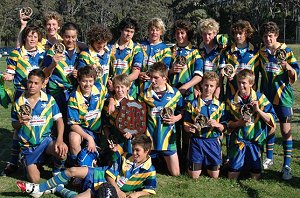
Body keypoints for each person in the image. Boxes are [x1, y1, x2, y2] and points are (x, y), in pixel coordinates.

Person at [17, 134, 156, 198]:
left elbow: (151, 189)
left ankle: (58, 189)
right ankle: (38, 189)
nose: (134, 153)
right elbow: (109, 175)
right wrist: (118, 191)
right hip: (100, 175)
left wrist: (137, 193)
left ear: (147, 151)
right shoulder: (125, 157)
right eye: (134, 149)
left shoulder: (150, 170)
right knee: (72, 170)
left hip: (105, 190)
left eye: (138, 150)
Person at [1, 25, 46, 176]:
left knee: (38, 125)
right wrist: (7, 76)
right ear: (25, 37)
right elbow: (11, 72)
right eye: (30, 36)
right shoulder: (16, 54)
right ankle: (13, 161)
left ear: (38, 38)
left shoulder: (43, 53)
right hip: (21, 94)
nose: (32, 39)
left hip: (39, 95)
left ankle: (37, 159)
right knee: (18, 127)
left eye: (35, 36)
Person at [259, 21, 299, 180]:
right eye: (265, 36)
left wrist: (288, 67)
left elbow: (296, 72)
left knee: (285, 130)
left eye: (270, 35)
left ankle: (287, 165)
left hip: (284, 96)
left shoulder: (286, 51)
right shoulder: (261, 52)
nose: (268, 39)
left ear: (276, 35)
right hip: (267, 97)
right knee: (269, 126)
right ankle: (269, 158)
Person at [12, 69, 68, 182]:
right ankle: (24, 161)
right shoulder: (19, 102)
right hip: (29, 146)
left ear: (43, 84)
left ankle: (57, 170)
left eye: (36, 83)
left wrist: (60, 139)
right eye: (30, 82)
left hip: (45, 141)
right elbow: (14, 124)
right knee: (35, 180)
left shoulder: (49, 100)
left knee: (62, 150)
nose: (32, 85)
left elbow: (59, 120)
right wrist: (20, 122)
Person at [226, 69, 276, 180]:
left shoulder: (260, 98)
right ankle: (234, 162)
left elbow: (272, 120)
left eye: (244, 83)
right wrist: (238, 123)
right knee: (232, 175)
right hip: (239, 141)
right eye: (239, 82)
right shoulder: (231, 100)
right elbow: (226, 124)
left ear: (251, 84)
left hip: (255, 141)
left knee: (255, 175)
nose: (241, 85)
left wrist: (258, 110)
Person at [168, 19, 203, 170]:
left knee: (187, 128)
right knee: (173, 127)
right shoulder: (170, 51)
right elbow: (162, 72)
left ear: (188, 34)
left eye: (182, 33)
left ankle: (188, 160)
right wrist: (170, 71)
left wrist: (185, 87)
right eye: (177, 33)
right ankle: (175, 160)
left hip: (187, 95)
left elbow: (199, 75)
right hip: (171, 95)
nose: (179, 36)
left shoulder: (195, 52)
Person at [139, 62, 183, 176]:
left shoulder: (175, 93)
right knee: (142, 172)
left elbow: (182, 110)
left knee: (176, 173)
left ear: (164, 78)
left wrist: (176, 118)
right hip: (150, 137)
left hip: (167, 137)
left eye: (156, 78)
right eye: (151, 77)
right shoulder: (144, 93)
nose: (152, 81)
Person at [183, 71, 226, 179]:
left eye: (211, 86)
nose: (208, 88)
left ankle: (210, 163)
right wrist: (189, 128)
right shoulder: (192, 104)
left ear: (216, 87)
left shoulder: (220, 105)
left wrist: (217, 124)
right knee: (194, 176)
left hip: (213, 141)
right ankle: (196, 162)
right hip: (197, 140)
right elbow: (185, 124)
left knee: (214, 176)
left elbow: (224, 127)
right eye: (206, 85)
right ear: (201, 84)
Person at [43, 22, 82, 127]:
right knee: (58, 124)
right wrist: (53, 64)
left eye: (73, 37)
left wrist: (79, 74)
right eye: (67, 36)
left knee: (73, 125)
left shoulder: (82, 51)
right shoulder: (53, 51)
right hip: (56, 92)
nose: (70, 40)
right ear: (62, 36)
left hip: (74, 93)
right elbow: (44, 74)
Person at [67, 66, 107, 166]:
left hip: (97, 130)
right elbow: (73, 125)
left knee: (93, 160)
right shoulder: (73, 97)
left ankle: (97, 160)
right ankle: (76, 167)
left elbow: (109, 97)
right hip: (82, 129)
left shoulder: (100, 88)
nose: (88, 84)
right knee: (73, 137)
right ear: (79, 81)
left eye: (90, 81)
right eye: (84, 81)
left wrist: (110, 101)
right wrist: (89, 138)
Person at [219, 20, 260, 99]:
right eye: (235, 34)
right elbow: (222, 72)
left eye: (240, 33)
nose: (237, 36)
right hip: (231, 93)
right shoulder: (227, 51)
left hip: (250, 95)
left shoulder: (256, 52)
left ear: (247, 33)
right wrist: (227, 75)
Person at [109, 18, 143, 99]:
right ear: (121, 30)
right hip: (111, 91)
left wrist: (118, 84)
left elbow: (135, 74)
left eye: (132, 32)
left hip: (129, 92)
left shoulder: (136, 49)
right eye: (127, 31)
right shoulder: (110, 47)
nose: (129, 34)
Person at [102, 74, 135, 154]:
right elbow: (105, 123)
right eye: (117, 87)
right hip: (113, 137)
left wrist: (131, 134)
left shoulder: (133, 102)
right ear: (113, 87)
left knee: (127, 160)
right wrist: (109, 137)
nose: (120, 90)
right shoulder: (108, 104)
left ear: (128, 87)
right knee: (113, 161)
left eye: (122, 87)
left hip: (127, 139)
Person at [197, 18, 229, 98]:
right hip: (202, 88)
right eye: (204, 34)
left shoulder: (220, 50)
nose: (206, 37)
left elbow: (222, 72)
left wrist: (218, 89)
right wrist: (196, 89)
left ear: (215, 34)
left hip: (216, 88)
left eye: (209, 34)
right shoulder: (198, 49)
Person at [139, 18, 172, 88]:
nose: (154, 32)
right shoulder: (140, 46)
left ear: (161, 32)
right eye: (152, 30)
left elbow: (164, 69)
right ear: (148, 30)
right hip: (138, 86)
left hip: (155, 87)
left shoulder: (166, 49)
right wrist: (139, 74)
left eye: (157, 30)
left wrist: (151, 75)